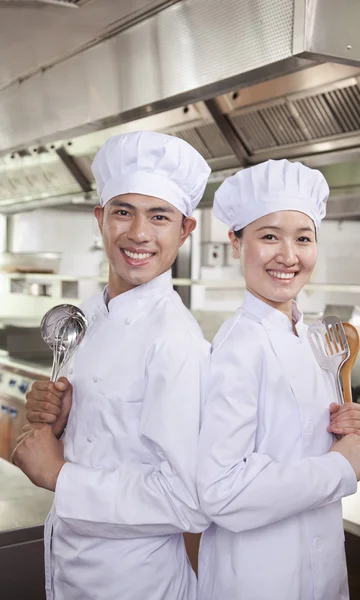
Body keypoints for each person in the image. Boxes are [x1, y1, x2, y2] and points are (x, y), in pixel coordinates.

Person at [12, 131, 211, 600]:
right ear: (100, 219)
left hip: (137, 583)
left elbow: (188, 502)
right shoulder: (89, 314)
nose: (139, 233)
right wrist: (63, 421)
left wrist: (59, 475)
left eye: (159, 216)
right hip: (71, 569)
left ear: (185, 230)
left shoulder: (177, 342)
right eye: (124, 211)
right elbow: (111, 438)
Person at [196, 159, 360, 600]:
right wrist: (338, 467)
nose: (289, 256)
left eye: (304, 238)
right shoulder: (238, 347)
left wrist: (348, 428)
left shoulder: (310, 338)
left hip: (319, 572)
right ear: (236, 243)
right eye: (269, 236)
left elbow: (298, 441)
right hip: (257, 580)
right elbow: (219, 491)